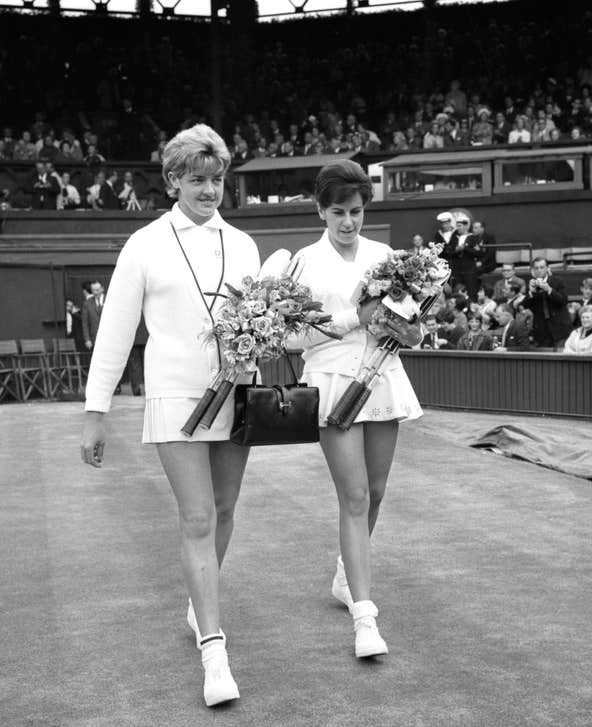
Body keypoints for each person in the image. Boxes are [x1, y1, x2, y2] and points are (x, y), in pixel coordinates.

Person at [81, 124, 260, 707]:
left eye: (216, 179)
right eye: (196, 179)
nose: (209, 190)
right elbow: (115, 331)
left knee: (226, 510)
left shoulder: (245, 245)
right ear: (173, 180)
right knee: (199, 518)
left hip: (237, 395)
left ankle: (196, 604)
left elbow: (257, 324)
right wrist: (95, 412)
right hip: (173, 399)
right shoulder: (144, 243)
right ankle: (214, 648)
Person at [290, 159, 423, 659]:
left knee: (378, 490)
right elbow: (291, 335)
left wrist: (409, 325)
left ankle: (346, 578)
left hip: (382, 376)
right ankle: (364, 618)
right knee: (356, 495)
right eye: (339, 212)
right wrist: (354, 317)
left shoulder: (386, 255)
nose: (349, 222)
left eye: (357, 212)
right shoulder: (303, 262)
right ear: (321, 211)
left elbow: (404, 324)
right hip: (329, 381)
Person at [522, 257, 572, 349]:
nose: (539, 270)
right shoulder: (531, 284)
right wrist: (531, 292)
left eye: (542, 267)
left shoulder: (557, 281)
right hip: (542, 330)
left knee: (561, 357)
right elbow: (525, 305)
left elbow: (563, 301)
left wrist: (549, 289)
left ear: (547, 268)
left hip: (560, 328)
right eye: (536, 268)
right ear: (533, 270)